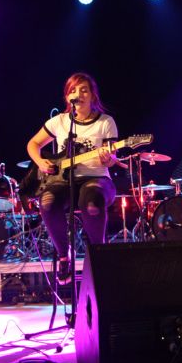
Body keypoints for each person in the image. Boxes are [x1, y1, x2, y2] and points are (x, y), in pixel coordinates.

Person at [27, 72, 118, 284]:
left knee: (92, 204)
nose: (79, 94)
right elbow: (33, 144)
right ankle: (64, 255)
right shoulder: (60, 121)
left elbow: (112, 158)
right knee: (47, 203)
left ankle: (99, 255)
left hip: (97, 179)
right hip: (64, 180)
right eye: (73, 90)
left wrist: (108, 159)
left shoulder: (105, 122)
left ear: (93, 95)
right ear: (68, 97)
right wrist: (41, 162)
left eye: (84, 90)